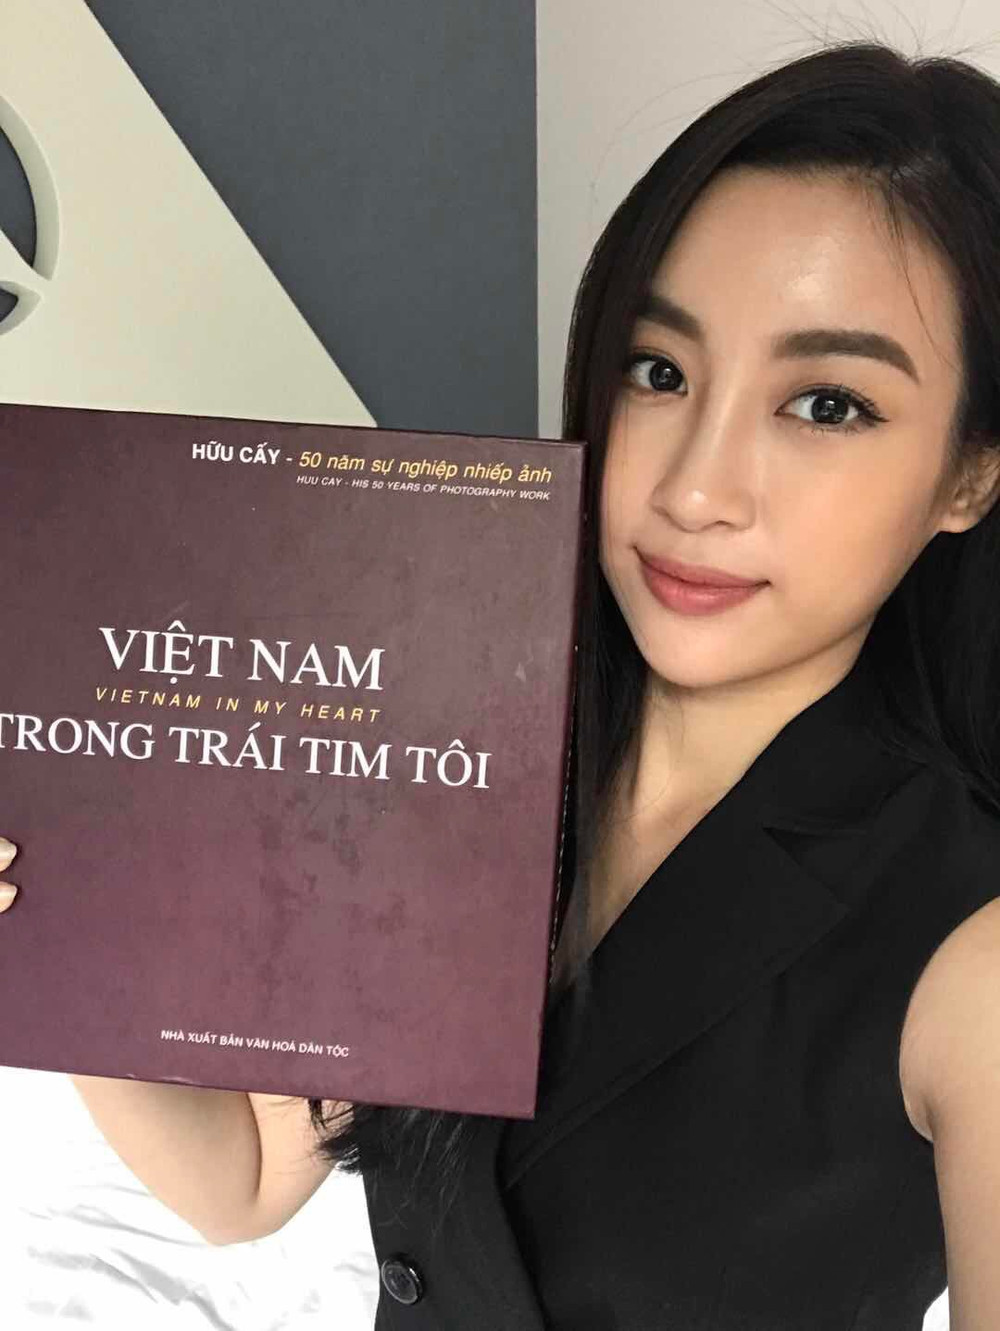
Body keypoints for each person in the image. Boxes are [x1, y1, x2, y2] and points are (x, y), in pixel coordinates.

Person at [7, 36, 1000, 1330]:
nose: (695, 488)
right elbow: (242, 1182)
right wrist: (48, 934)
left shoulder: (971, 945)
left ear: (970, 472)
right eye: (659, 371)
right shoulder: (453, 744)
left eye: (826, 405)